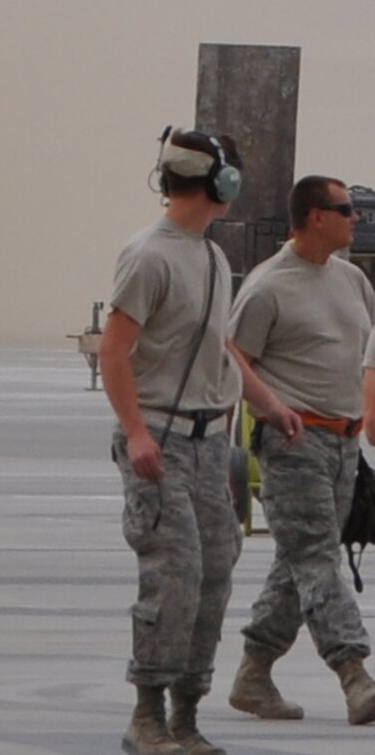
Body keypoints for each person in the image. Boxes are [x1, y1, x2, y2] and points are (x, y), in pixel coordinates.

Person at [99, 129, 303, 755]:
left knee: (216, 569)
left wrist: (265, 401)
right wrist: (136, 433)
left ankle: (186, 713)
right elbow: (114, 349)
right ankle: (146, 715)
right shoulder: (149, 254)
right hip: (160, 439)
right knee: (175, 575)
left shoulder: (211, 255)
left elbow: (216, 347)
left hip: (210, 441)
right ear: (219, 181)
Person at [226, 174, 375, 727]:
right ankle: (355, 674)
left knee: (298, 563)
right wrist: (269, 409)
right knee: (317, 559)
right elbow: (232, 358)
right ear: (314, 216)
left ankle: (253, 672)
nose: (355, 217)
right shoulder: (269, 286)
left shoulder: (352, 280)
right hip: (293, 443)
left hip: (342, 443)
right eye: (345, 208)